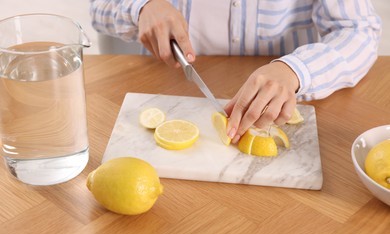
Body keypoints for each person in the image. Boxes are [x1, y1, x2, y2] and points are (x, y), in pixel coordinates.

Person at [90, 0, 381, 143]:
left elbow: (359, 30)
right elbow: (100, 7)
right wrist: (141, 8)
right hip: (167, 88)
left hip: (292, 102)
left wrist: (295, 70)